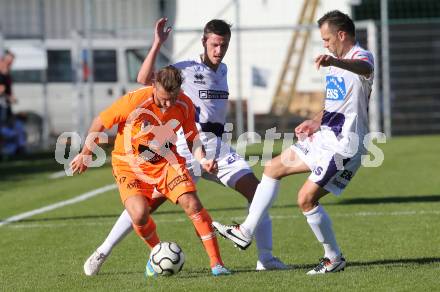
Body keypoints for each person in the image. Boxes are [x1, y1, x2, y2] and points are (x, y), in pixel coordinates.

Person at [83, 18, 286, 276]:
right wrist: (157, 44)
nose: (218, 50)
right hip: (186, 148)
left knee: (257, 192)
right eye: (214, 44)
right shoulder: (186, 69)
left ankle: (265, 257)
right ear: (204, 41)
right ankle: (103, 250)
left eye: (223, 45)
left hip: (216, 149)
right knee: (144, 207)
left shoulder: (222, 70)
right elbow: (145, 78)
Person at [213, 10, 375, 275]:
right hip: (324, 138)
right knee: (272, 168)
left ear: (341, 35)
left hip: (345, 146)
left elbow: (365, 69)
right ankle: (245, 231)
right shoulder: (334, 62)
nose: (325, 44)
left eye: (327, 39)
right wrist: (314, 120)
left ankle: (333, 257)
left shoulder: (360, 57)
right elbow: (336, 104)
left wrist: (336, 60)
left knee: (305, 199)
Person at [71, 66, 230, 276]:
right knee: (139, 214)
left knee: (191, 203)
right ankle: (156, 253)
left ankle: (217, 264)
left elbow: (193, 139)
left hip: (165, 162)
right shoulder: (134, 101)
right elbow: (99, 122)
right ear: (153, 86)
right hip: (129, 165)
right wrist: (85, 152)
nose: (168, 104)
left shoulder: (184, 104)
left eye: (172, 98)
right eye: (164, 99)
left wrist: (203, 159)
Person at [0, 50, 16, 124]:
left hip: (5, 102)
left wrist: (11, 96)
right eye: (10, 60)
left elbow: (7, 87)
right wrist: (9, 97)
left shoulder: (7, 71)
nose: (12, 62)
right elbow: (1, 89)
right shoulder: (2, 70)